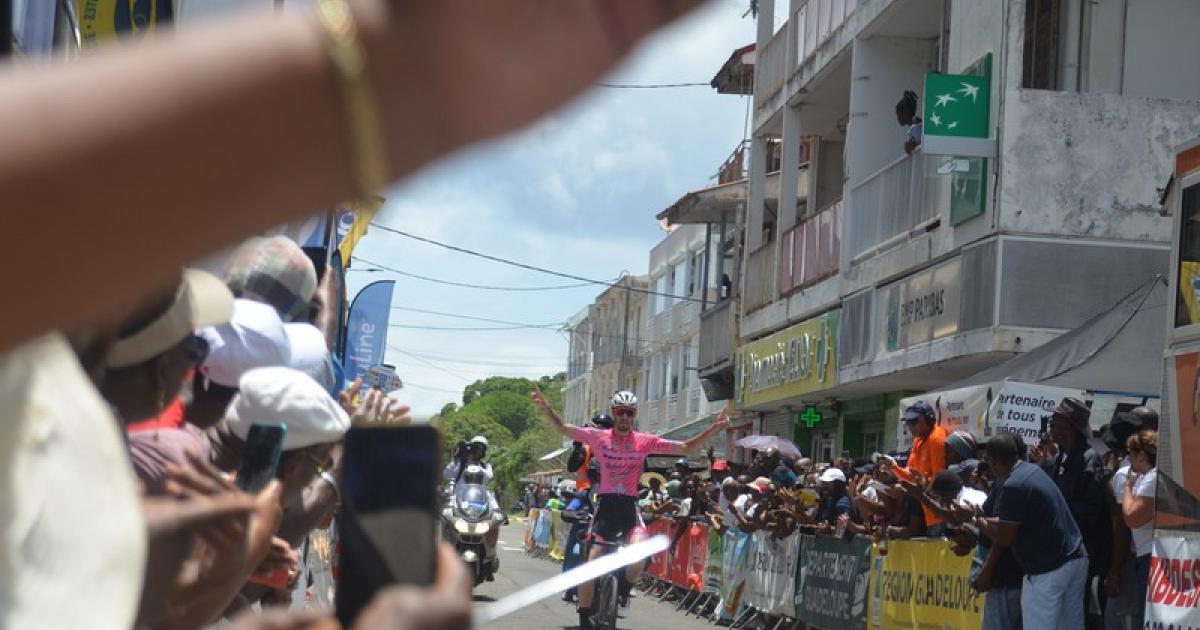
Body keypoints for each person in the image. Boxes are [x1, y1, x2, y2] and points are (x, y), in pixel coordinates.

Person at [531, 387, 729, 630]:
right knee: (592, 564)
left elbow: (687, 447)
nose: (624, 417)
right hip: (605, 506)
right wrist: (546, 408)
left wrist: (715, 428)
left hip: (629, 507)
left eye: (629, 413)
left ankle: (622, 592)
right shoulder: (598, 437)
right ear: (614, 414)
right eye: (620, 412)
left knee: (639, 553)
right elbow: (563, 428)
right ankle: (584, 621)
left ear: (634, 415)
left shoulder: (644, 441)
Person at [972, 432, 1088, 629]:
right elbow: (1010, 522)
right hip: (1075, 559)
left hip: (1049, 570)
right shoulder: (1030, 471)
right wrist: (980, 518)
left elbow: (1005, 537)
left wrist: (976, 519)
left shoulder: (1013, 485)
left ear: (991, 460)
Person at [1048, 397, 1111, 628]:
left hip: (1080, 551)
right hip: (1061, 551)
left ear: (1069, 425)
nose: (1051, 425)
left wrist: (1057, 520)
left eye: (1055, 420)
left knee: (1076, 611)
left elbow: (1091, 510)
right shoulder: (1061, 458)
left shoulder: (1088, 458)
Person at [882, 401, 949, 534]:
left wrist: (909, 490)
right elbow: (911, 475)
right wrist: (894, 467)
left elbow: (939, 478)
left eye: (914, 422)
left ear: (928, 420)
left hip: (937, 513)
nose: (910, 427)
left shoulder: (936, 438)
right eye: (908, 423)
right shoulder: (918, 441)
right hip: (924, 510)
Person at [1121, 429, 1157, 624]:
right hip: (1145, 553)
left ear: (1141, 455)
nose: (1127, 457)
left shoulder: (1152, 478)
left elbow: (1132, 517)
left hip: (1151, 556)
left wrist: (1127, 486)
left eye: (1130, 452)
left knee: (1148, 614)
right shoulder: (1146, 476)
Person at [896, 90, 923, 154]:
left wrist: (912, 145)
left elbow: (921, 144)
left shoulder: (916, 126)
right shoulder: (913, 126)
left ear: (905, 114)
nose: (898, 118)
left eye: (899, 114)